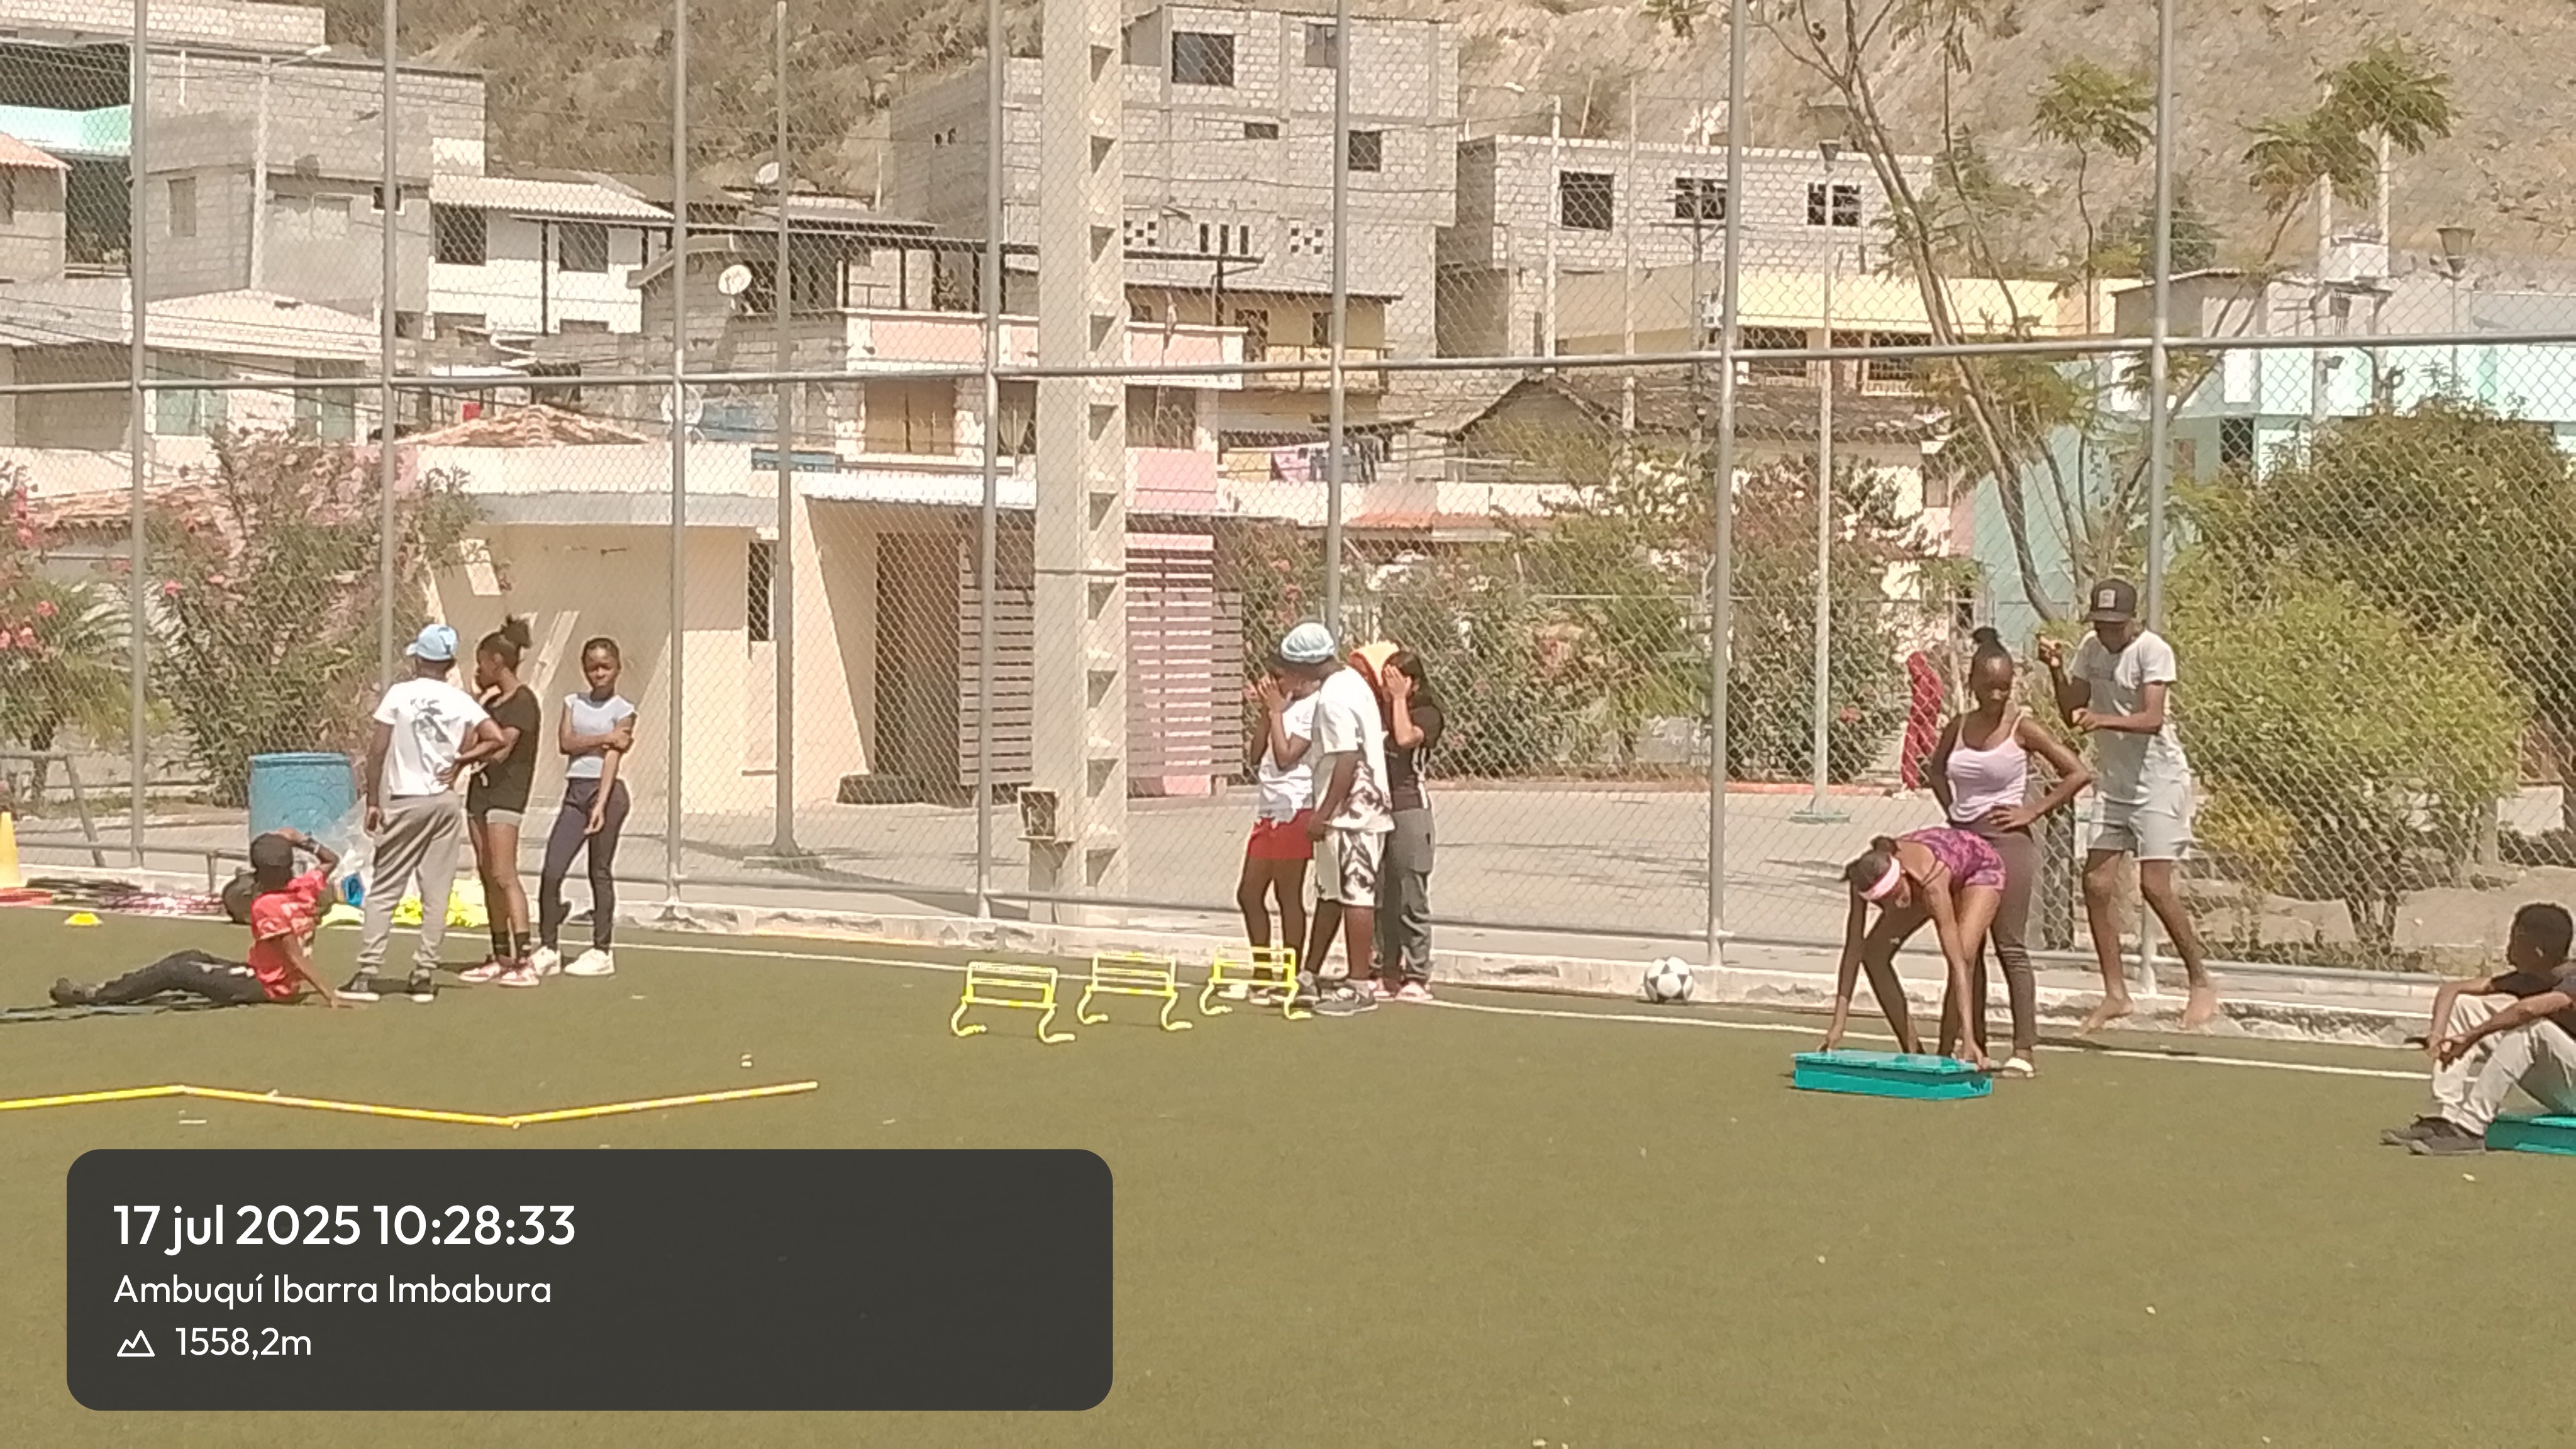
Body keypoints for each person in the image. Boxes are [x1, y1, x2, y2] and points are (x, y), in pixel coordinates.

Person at [2038, 578, 2219, 1033]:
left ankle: (2200, 980)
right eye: (2100, 624)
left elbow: (2152, 718)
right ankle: (2116, 994)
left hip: (2159, 782)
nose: (2106, 633)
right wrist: (2056, 670)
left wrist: (2102, 719)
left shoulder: (2153, 651)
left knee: (2154, 886)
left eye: (2114, 625)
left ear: (2131, 621)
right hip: (2116, 784)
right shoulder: (2090, 648)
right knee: (2096, 883)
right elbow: (2073, 711)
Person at [1925, 626, 2096, 1076]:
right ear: (1973, 683)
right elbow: (1936, 771)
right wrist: (1954, 811)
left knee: (2010, 945)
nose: (1997, 696)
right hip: (1964, 844)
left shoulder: (2023, 728)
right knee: (1966, 948)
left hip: (2007, 844)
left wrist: (2032, 811)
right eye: (1989, 687)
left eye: (2005, 687)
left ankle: (2024, 1049)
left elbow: (2078, 773)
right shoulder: (1958, 727)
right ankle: (1970, 1043)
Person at [349, 624, 508, 1004]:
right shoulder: (461, 700)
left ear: (419, 658)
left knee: (385, 887)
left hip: (406, 800)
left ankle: (367, 974)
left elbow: (377, 750)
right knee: (436, 891)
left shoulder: (400, 694)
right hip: (444, 801)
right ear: (450, 663)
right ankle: (423, 975)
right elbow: (496, 737)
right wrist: (461, 761)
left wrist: (373, 801)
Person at [51, 830, 348, 1009]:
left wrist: (329, 995)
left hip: (263, 986)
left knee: (177, 970)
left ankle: (98, 994)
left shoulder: (267, 906)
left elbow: (295, 955)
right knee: (191, 957)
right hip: (265, 976)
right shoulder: (305, 888)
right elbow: (330, 860)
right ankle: (111, 989)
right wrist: (301, 840)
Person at [2385, 902, 2576, 1157]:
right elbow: (2452, 990)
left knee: (2532, 1030)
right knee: (2467, 1006)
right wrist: (2437, 1035)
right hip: (2566, 1087)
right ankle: (2445, 1116)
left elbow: (2528, 1009)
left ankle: (2471, 1130)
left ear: (2538, 951)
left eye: (2515, 939)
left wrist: (2472, 1036)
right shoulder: (2530, 978)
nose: (2508, 947)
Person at [1274, 622, 1392, 1017]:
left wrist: (1323, 814)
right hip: (1346, 811)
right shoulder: (1351, 682)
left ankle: (1359, 985)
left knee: (1357, 893)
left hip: (1353, 814)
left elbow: (1347, 759)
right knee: (1330, 892)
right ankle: (1310, 973)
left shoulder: (1333, 701)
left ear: (1305, 667)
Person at [1823, 829, 2003, 1070]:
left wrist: (1968, 1038)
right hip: (1920, 881)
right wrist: (1838, 1025)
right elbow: (1853, 950)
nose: (1897, 905)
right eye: (1883, 903)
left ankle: (1948, 1051)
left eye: (1897, 894)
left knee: (1964, 953)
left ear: (1903, 874)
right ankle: (1913, 1051)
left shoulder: (1931, 882)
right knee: (1873, 954)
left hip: (1978, 870)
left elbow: (1958, 964)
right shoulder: (1862, 879)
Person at [536, 636, 636, 979]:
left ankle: (602, 950)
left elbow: (613, 757)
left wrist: (601, 804)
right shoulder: (572, 703)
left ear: (617, 668)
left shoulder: (624, 710)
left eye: (605, 667)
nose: (599, 673)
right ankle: (549, 947)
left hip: (606, 793)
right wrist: (603, 738)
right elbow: (566, 743)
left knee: (599, 870)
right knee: (552, 869)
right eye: (593, 667)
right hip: (574, 792)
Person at [462, 618, 542, 989]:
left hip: (507, 795)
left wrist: (463, 760)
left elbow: (501, 749)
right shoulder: (490, 704)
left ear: (497, 661)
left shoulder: (524, 702)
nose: (478, 670)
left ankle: (525, 959)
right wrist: (473, 709)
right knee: (485, 873)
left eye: (481, 663)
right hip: (479, 794)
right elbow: (469, 743)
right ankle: (500, 955)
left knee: (504, 874)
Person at [1360, 644, 1443, 1003]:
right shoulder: (1375, 712)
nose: (1388, 686)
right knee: (1381, 893)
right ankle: (1386, 969)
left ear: (1413, 682)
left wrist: (1398, 700)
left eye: (1397, 679)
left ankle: (1417, 973)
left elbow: (1407, 739)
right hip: (1377, 808)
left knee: (1410, 893)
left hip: (1409, 809)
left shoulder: (1427, 714)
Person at [1236, 658, 1319, 963]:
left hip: (1295, 808)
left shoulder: (1313, 707)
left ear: (1298, 676)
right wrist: (1266, 713)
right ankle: (1262, 969)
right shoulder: (1278, 707)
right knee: (1249, 893)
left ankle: (1291, 970)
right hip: (1269, 811)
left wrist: (1276, 713)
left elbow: (1286, 757)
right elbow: (1256, 755)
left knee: (1287, 895)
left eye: (1279, 677)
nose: (1272, 684)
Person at [1899, 648, 1945, 795]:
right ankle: (1910, 782)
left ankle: (1937, 776)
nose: (1911, 670)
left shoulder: (1930, 678)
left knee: (1929, 748)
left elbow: (1938, 696)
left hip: (1926, 718)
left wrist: (1928, 712)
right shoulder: (1917, 679)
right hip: (1917, 717)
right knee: (1910, 750)